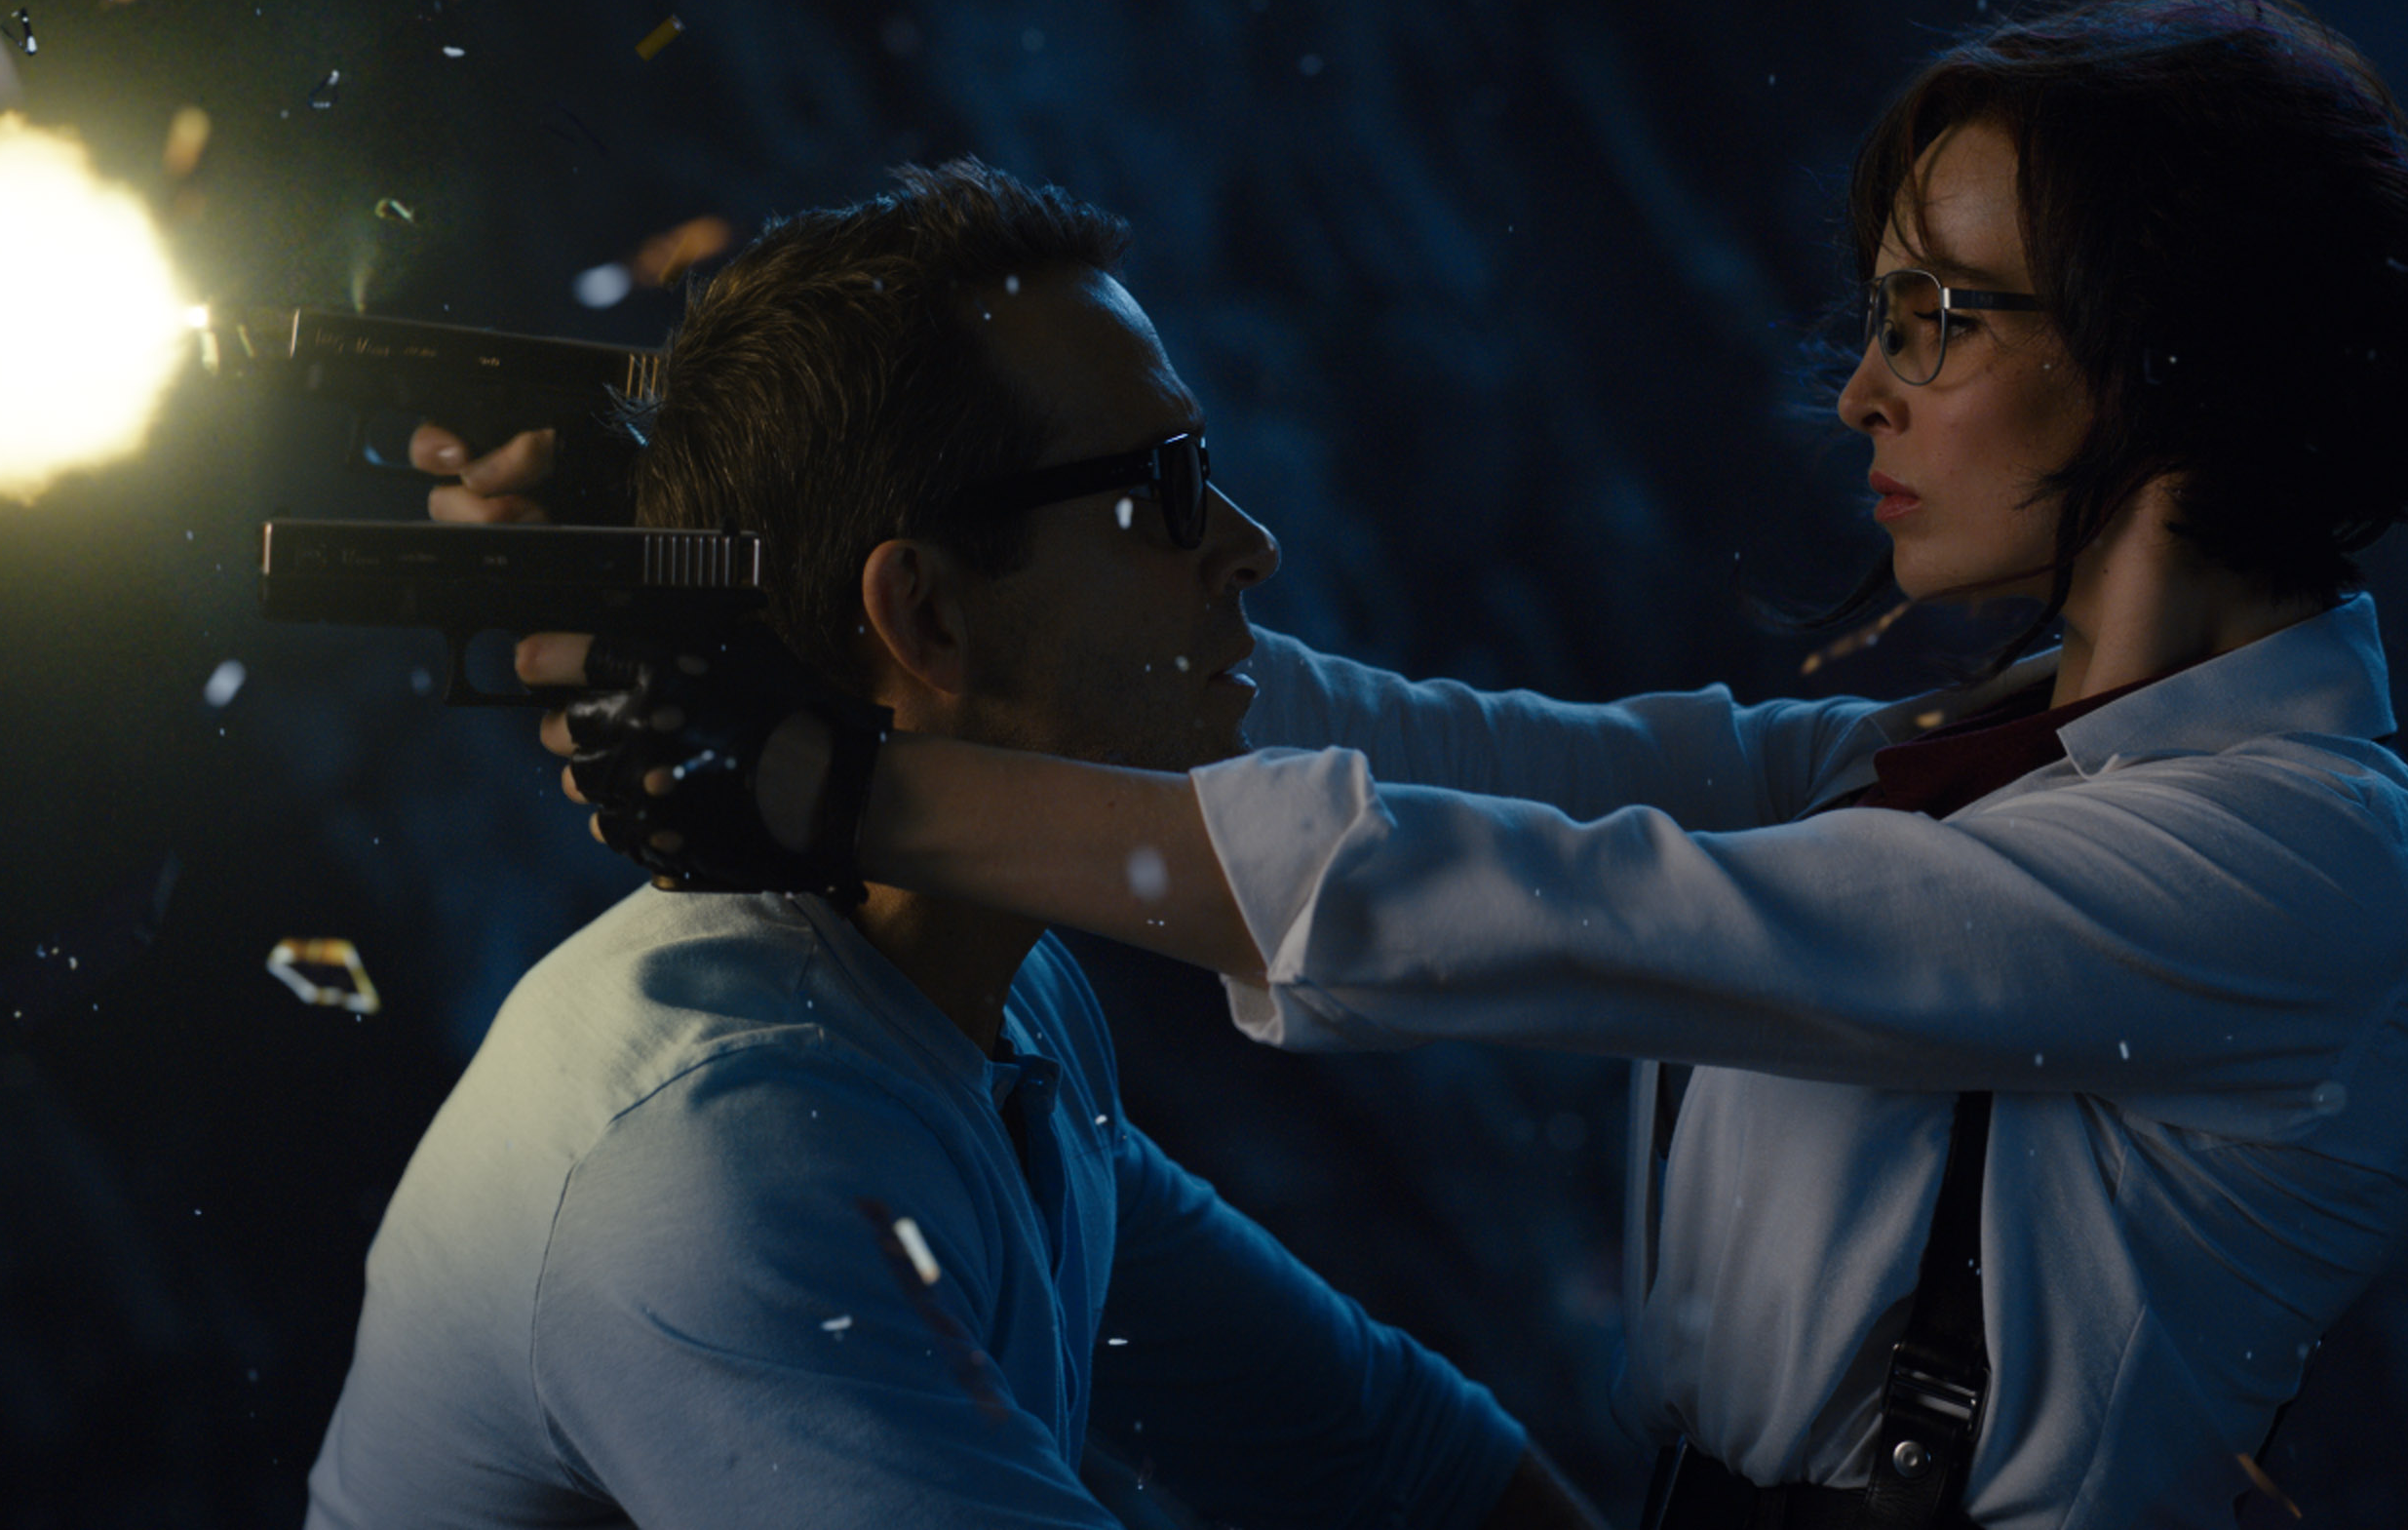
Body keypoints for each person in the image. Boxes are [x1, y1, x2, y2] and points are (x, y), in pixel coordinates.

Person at [479, 0, 2408, 1529]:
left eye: (1938, 317)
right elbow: (1452, 762)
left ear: (2168, 357)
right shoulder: (1942, 769)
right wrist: (750, 549)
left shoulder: (2300, 866)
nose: (1863, 391)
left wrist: (831, 783)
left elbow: (1517, 898)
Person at [312, 161, 1613, 1530]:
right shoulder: (720, 1164)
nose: (1252, 546)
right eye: (1167, 486)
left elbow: (1384, 1456)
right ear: (927, 616)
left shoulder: (998, 1004)